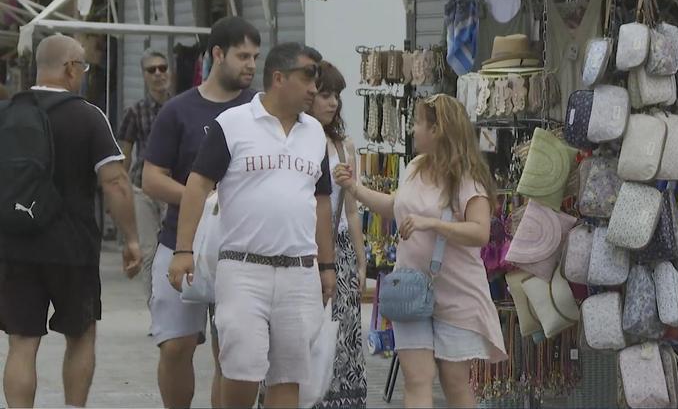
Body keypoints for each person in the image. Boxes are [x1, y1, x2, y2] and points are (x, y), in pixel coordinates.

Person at [168, 42, 336, 408]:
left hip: (300, 272)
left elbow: (322, 203)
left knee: (288, 376)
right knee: (241, 372)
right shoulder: (233, 123)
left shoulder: (314, 135)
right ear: (279, 77)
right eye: (308, 76)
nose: (314, 87)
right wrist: (183, 251)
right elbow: (197, 186)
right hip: (244, 269)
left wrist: (327, 265)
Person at [334, 93, 507, 408]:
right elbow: (395, 206)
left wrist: (432, 224)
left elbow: (480, 232)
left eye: (418, 123)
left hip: (458, 294)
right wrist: (354, 188)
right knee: (416, 378)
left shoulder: (468, 178)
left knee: (454, 382)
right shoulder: (414, 167)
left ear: (438, 128)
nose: (413, 130)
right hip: (410, 289)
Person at [0, 34, 142, 408]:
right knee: (80, 336)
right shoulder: (87, 115)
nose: (82, 73)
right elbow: (115, 182)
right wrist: (130, 239)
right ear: (69, 68)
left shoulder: (9, 112)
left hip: (15, 246)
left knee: (21, 343)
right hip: (72, 249)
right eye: (82, 66)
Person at [142, 16, 260, 408]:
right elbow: (152, 179)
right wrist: (202, 199)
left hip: (241, 247)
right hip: (180, 241)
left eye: (255, 57)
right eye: (242, 56)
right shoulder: (178, 111)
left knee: (232, 349)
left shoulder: (258, 111)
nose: (250, 65)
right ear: (217, 54)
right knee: (176, 345)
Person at [309, 61, 367, 408]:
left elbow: (352, 208)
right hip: (304, 247)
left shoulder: (344, 147)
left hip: (341, 248)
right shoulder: (295, 141)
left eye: (337, 96)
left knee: (343, 332)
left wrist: (361, 262)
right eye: (325, 95)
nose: (332, 103)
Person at [117, 48, 171, 301]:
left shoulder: (180, 107)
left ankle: (173, 307)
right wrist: (120, 192)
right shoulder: (135, 111)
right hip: (142, 188)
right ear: (144, 76)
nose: (159, 74)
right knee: (149, 251)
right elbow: (125, 155)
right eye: (152, 70)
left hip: (174, 187)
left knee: (173, 249)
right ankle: (156, 312)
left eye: (163, 68)